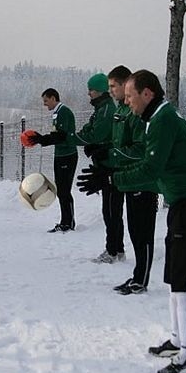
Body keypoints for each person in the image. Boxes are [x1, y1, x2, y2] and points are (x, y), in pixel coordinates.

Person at [77, 70, 186, 373]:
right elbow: (150, 169)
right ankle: (177, 340)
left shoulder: (164, 120)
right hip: (183, 202)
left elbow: (150, 168)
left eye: (129, 95)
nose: (126, 101)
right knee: (174, 277)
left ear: (147, 94)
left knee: (185, 283)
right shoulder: (154, 120)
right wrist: (110, 173)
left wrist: (111, 178)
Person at [104, 65, 159, 294]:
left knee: (142, 232)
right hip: (130, 177)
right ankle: (138, 275)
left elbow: (139, 149)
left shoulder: (139, 115)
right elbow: (119, 142)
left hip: (142, 181)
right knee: (135, 230)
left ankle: (141, 279)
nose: (113, 92)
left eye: (113, 86)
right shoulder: (124, 110)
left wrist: (112, 156)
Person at [63, 73, 119, 260]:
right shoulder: (100, 109)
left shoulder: (106, 111)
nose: (89, 94)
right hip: (104, 165)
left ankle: (114, 250)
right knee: (110, 209)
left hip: (110, 167)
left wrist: (69, 139)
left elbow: (95, 135)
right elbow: (88, 130)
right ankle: (115, 248)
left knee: (111, 210)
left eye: (91, 90)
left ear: (101, 91)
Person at [25, 88, 78, 232]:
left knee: (64, 190)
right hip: (60, 155)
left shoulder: (63, 112)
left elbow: (60, 136)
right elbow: (56, 135)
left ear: (53, 98)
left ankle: (69, 223)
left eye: (46, 101)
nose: (45, 104)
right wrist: (41, 139)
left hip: (67, 155)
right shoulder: (56, 113)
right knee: (61, 190)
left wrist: (41, 139)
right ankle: (65, 221)